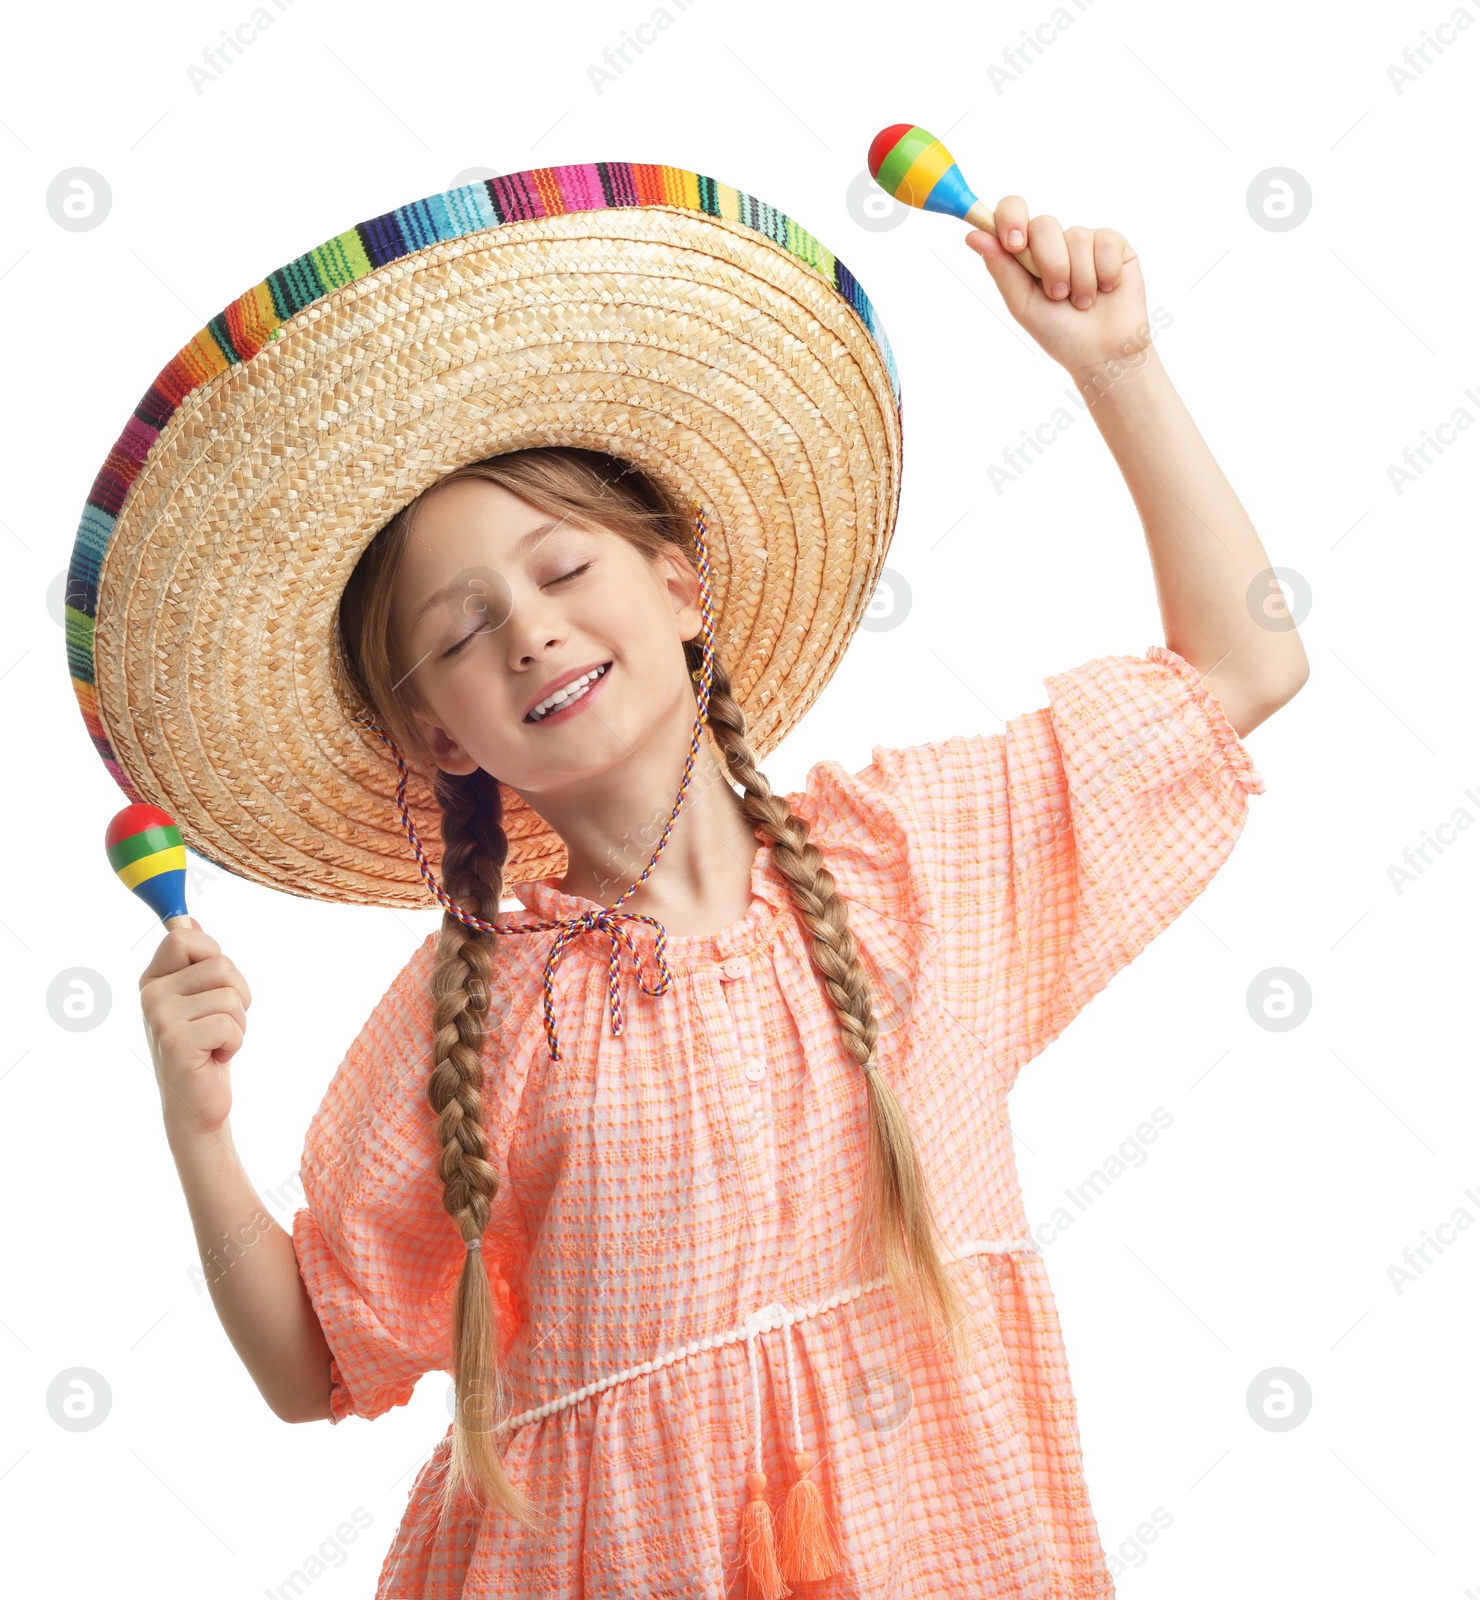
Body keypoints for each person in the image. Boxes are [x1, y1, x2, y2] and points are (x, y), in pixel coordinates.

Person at [75, 161, 1307, 1599]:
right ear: (435, 733)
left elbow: (1245, 666)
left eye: (562, 569)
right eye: (461, 632)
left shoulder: (914, 863)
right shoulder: (475, 1014)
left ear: (679, 585)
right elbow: (310, 1363)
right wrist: (196, 1120)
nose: (530, 633)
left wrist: (1122, 365)